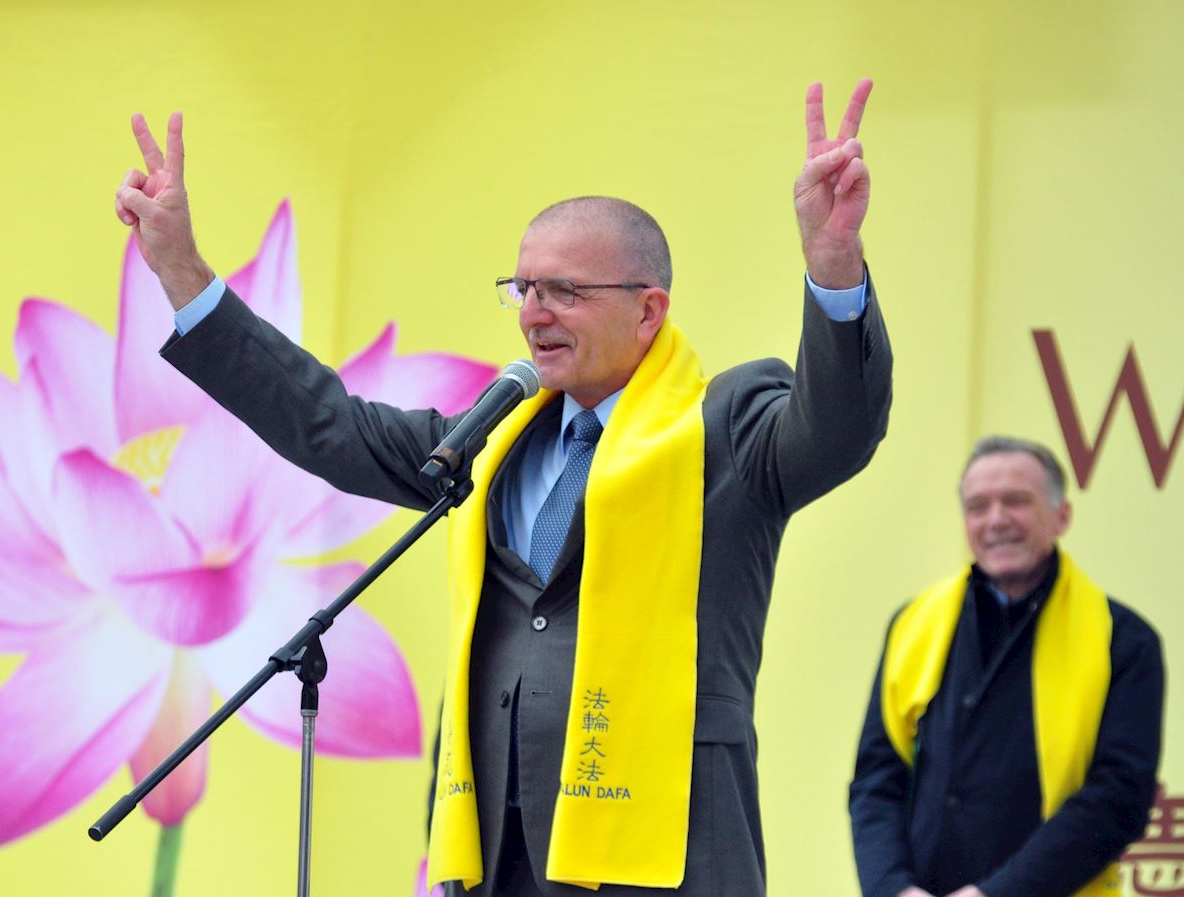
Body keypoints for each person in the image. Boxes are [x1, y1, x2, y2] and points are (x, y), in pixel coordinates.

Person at [115, 78, 892, 896]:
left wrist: (833, 266)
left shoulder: (724, 429)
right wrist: (184, 273)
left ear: (648, 311)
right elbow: (326, 422)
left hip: (667, 862)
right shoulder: (489, 441)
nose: (533, 313)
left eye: (565, 291)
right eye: (524, 289)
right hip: (498, 863)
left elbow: (836, 430)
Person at [848, 436, 1165, 897]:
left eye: (1016, 501)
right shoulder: (913, 624)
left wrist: (996, 894)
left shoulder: (1123, 641)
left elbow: (1119, 799)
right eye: (978, 506)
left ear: (1062, 516)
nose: (996, 520)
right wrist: (893, 887)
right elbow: (877, 778)